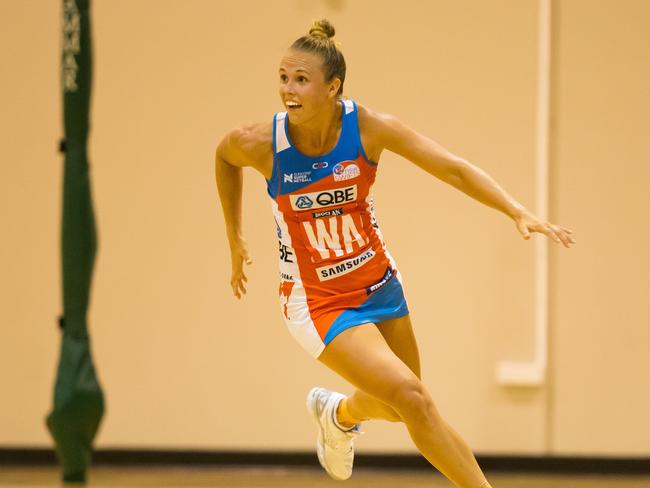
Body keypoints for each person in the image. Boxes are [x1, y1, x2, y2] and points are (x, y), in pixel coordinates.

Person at [214, 19, 574, 488]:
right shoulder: (264, 143)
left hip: (378, 282)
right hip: (317, 300)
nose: (288, 89)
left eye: (301, 79)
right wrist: (234, 239)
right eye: (283, 77)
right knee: (414, 397)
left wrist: (515, 210)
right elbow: (223, 157)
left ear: (333, 86)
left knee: (402, 407)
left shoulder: (367, 128)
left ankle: (338, 414)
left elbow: (452, 169)